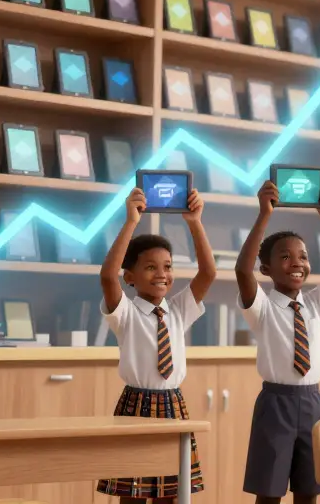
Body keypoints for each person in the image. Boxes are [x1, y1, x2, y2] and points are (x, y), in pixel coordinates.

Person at [237, 179, 320, 504]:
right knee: (269, 492)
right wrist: (264, 214)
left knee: (310, 490)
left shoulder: (315, 304)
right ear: (267, 268)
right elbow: (242, 272)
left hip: (314, 404)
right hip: (276, 405)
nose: (297, 263)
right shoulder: (261, 307)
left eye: (302, 256)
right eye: (285, 257)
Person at [96, 187, 217, 504]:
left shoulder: (177, 311)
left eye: (167, 266)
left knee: (171, 492)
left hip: (173, 406)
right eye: (150, 267)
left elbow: (208, 272)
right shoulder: (125, 313)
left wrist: (195, 222)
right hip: (136, 406)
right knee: (132, 494)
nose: (162, 274)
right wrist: (131, 221)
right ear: (131, 277)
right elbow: (108, 276)